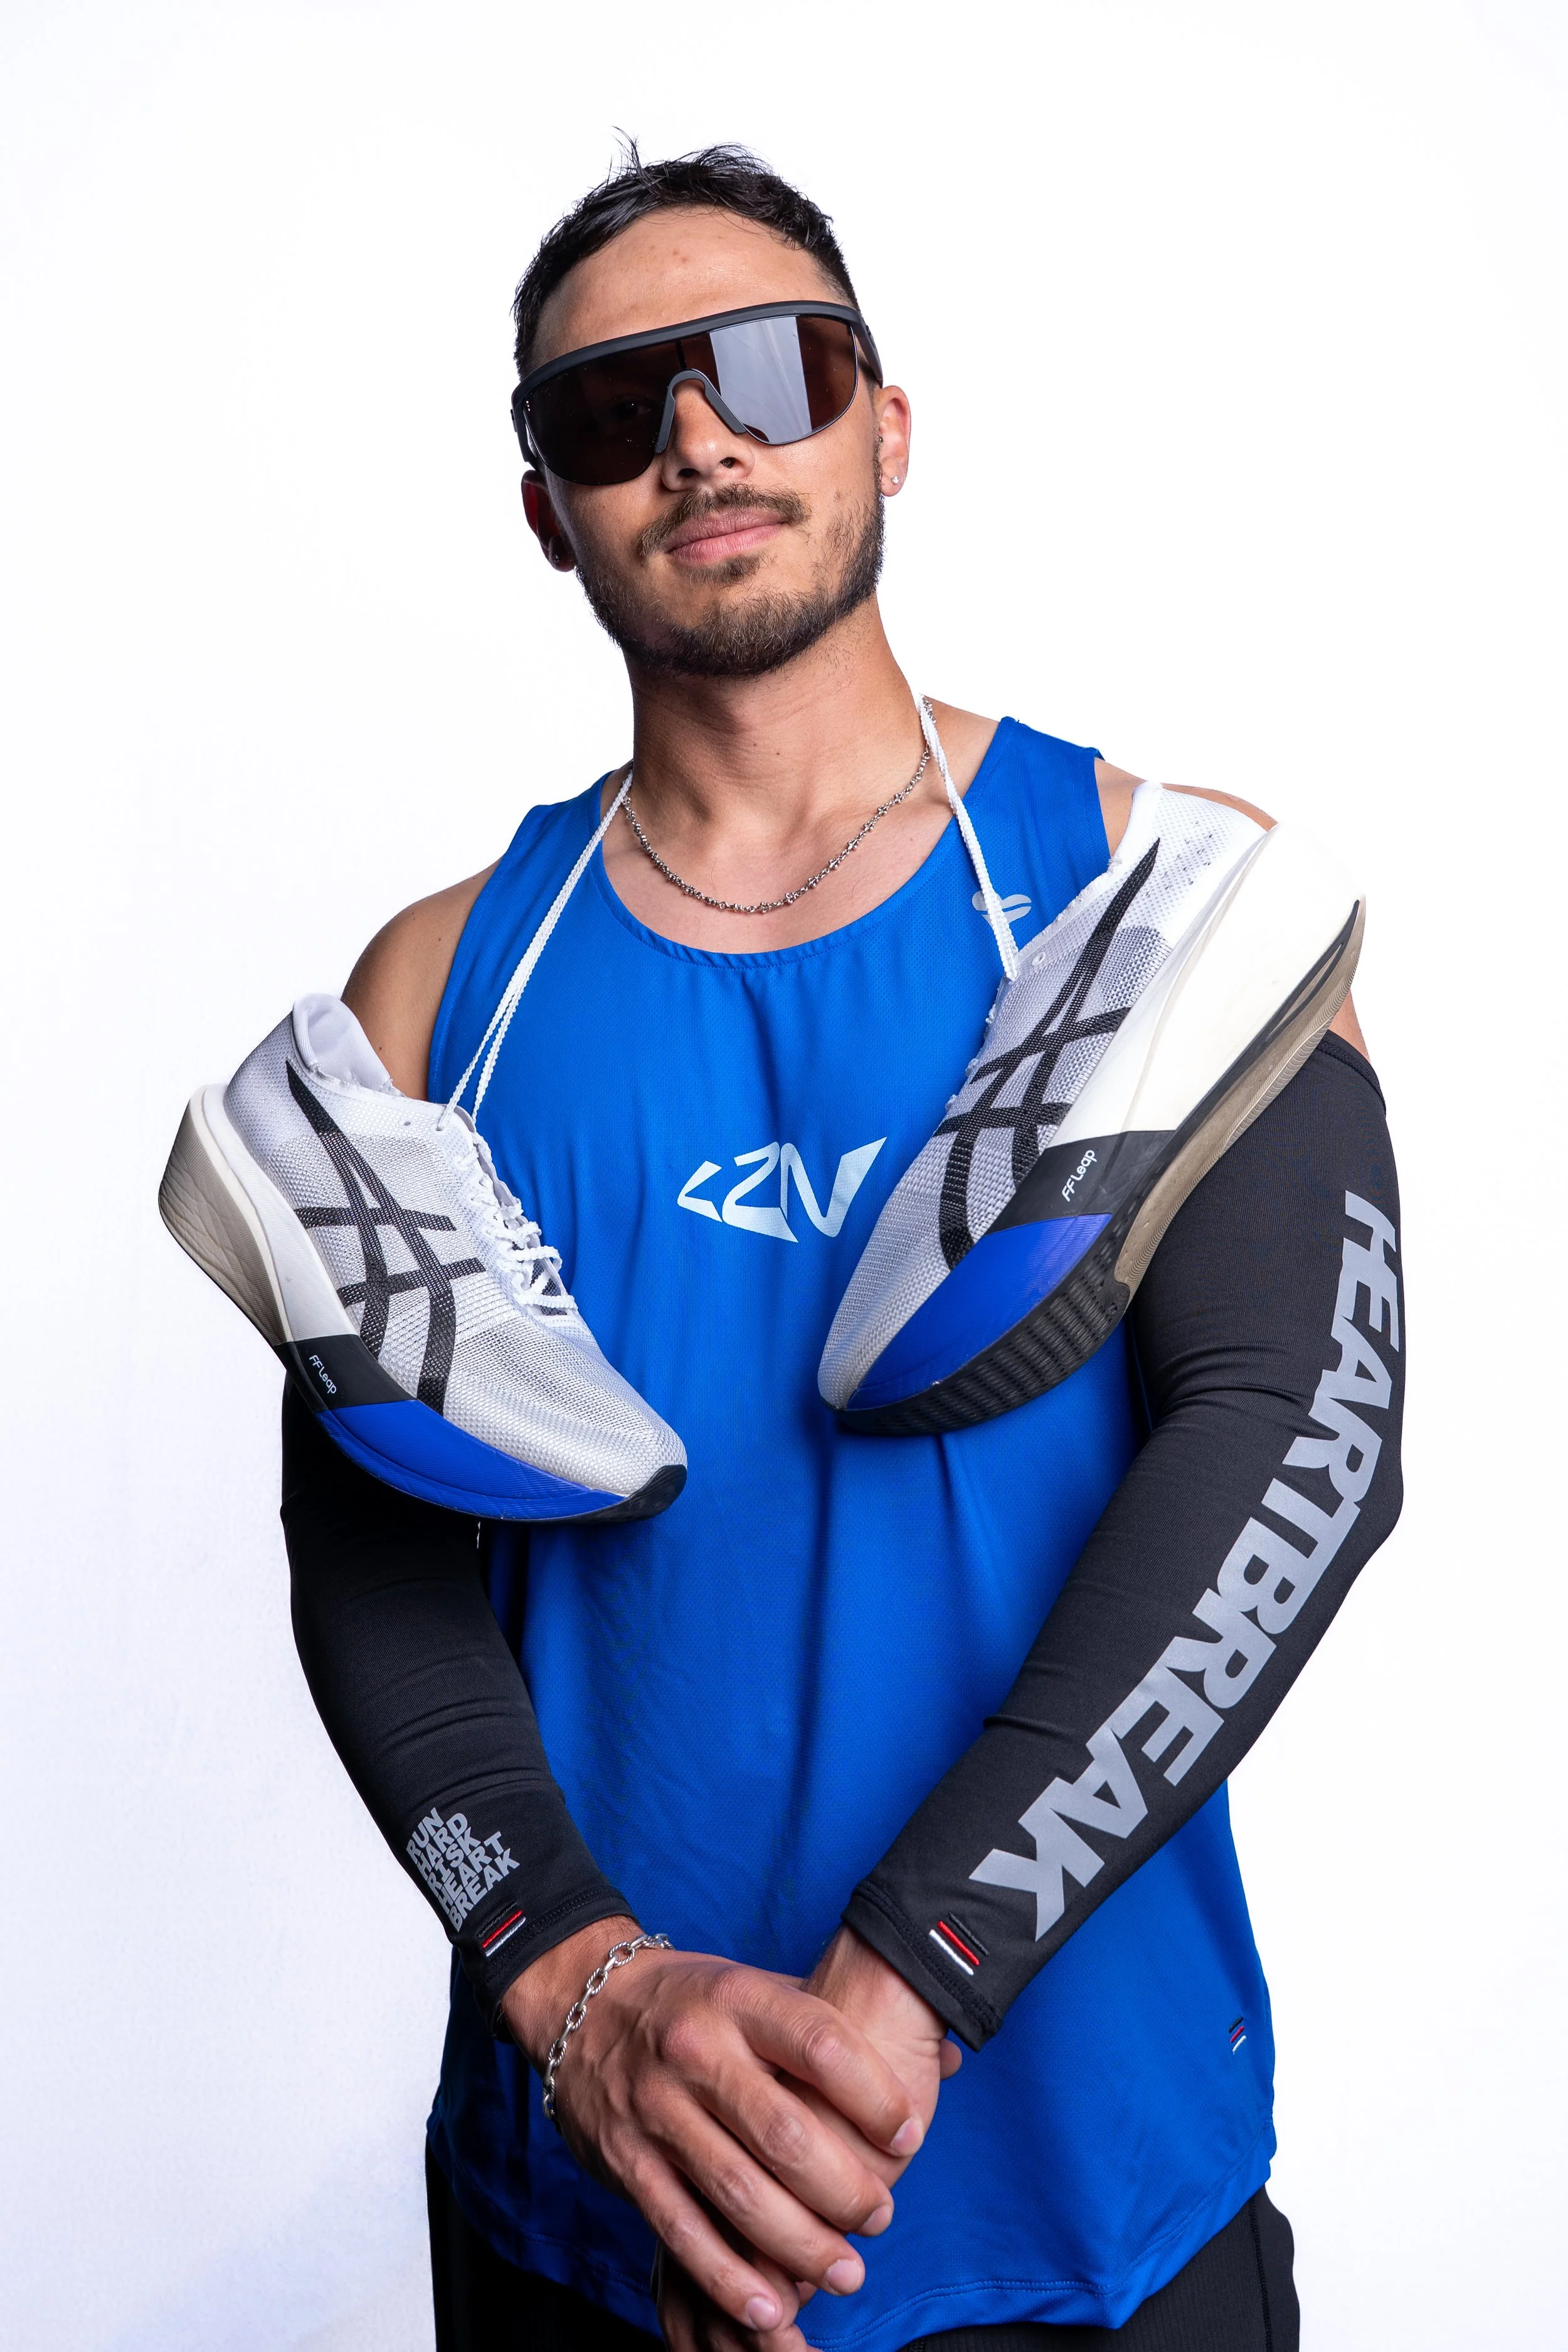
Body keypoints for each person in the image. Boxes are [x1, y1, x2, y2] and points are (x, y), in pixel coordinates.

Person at [280, 146, 1404, 2352]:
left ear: (886, 426)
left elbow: (1302, 1443)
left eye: (773, 370)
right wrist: (587, 2002)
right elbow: (371, 1560)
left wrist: (906, 1990)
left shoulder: (1148, 892)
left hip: (1087, 2201)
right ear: (548, 512)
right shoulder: (437, 991)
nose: (701, 435)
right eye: (615, 409)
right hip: (595, 2205)